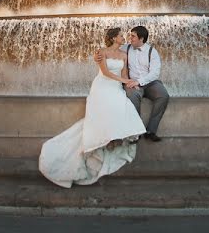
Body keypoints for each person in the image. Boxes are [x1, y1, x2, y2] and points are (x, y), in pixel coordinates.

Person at [38, 28, 146, 188]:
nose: (124, 38)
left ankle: (115, 138)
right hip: (102, 85)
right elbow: (106, 73)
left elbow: (125, 75)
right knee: (107, 107)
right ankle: (104, 139)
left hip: (116, 87)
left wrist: (130, 84)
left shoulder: (124, 55)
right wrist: (123, 79)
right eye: (121, 36)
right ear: (114, 38)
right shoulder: (101, 52)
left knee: (122, 105)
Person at [123, 25, 170, 141]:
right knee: (133, 96)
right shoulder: (126, 48)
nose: (130, 38)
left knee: (163, 95)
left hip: (149, 82)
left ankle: (151, 131)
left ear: (141, 39)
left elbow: (155, 73)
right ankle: (136, 131)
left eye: (133, 36)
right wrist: (99, 55)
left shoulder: (152, 52)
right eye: (130, 35)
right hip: (132, 82)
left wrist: (139, 82)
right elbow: (111, 51)